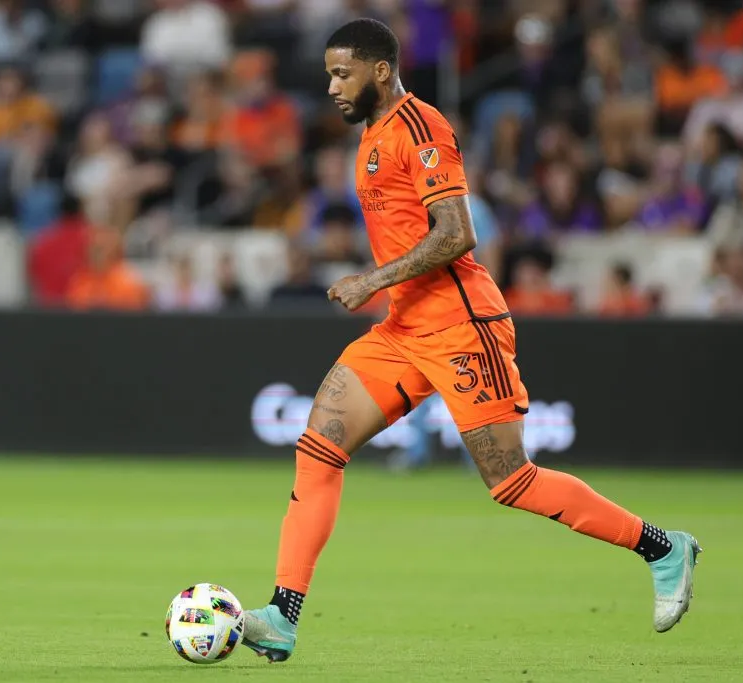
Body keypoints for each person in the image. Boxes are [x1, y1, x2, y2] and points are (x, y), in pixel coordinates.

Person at [239, 19, 703, 663]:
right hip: (403, 327)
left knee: (510, 480)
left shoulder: (421, 128)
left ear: (380, 70)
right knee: (318, 447)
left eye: (342, 73)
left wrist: (373, 278)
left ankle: (663, 547)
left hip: (462, 325)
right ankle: (282, 616)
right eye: (327, 75)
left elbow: (457, 233)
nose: (332, 86)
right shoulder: (371, 135)